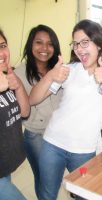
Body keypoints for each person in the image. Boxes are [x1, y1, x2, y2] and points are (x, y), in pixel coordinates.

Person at [29, 19, 102, 200]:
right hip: (53, 144)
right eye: (76, 44)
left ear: (99, 43)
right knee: (47, 195)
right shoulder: (69, 69)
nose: (79, 48)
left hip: (84, 151)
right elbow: (33, 99)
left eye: (85, 42)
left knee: (86, 196)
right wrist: (50, 76)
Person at [14, 24, 63, 198]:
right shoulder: (19, 73)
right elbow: (27, 103)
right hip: (37, 136)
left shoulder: (59, 70)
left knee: (54, 179)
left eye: (50, 44)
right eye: (39, 42)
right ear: (30, 45)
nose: (44, 48)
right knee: (43, 179)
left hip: (59, 134)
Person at [0, 29, 30, 200]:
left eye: (3, 45)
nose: (1, 53)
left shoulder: (7, 76)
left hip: (5, 166)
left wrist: (17, 86)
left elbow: (24, 112)